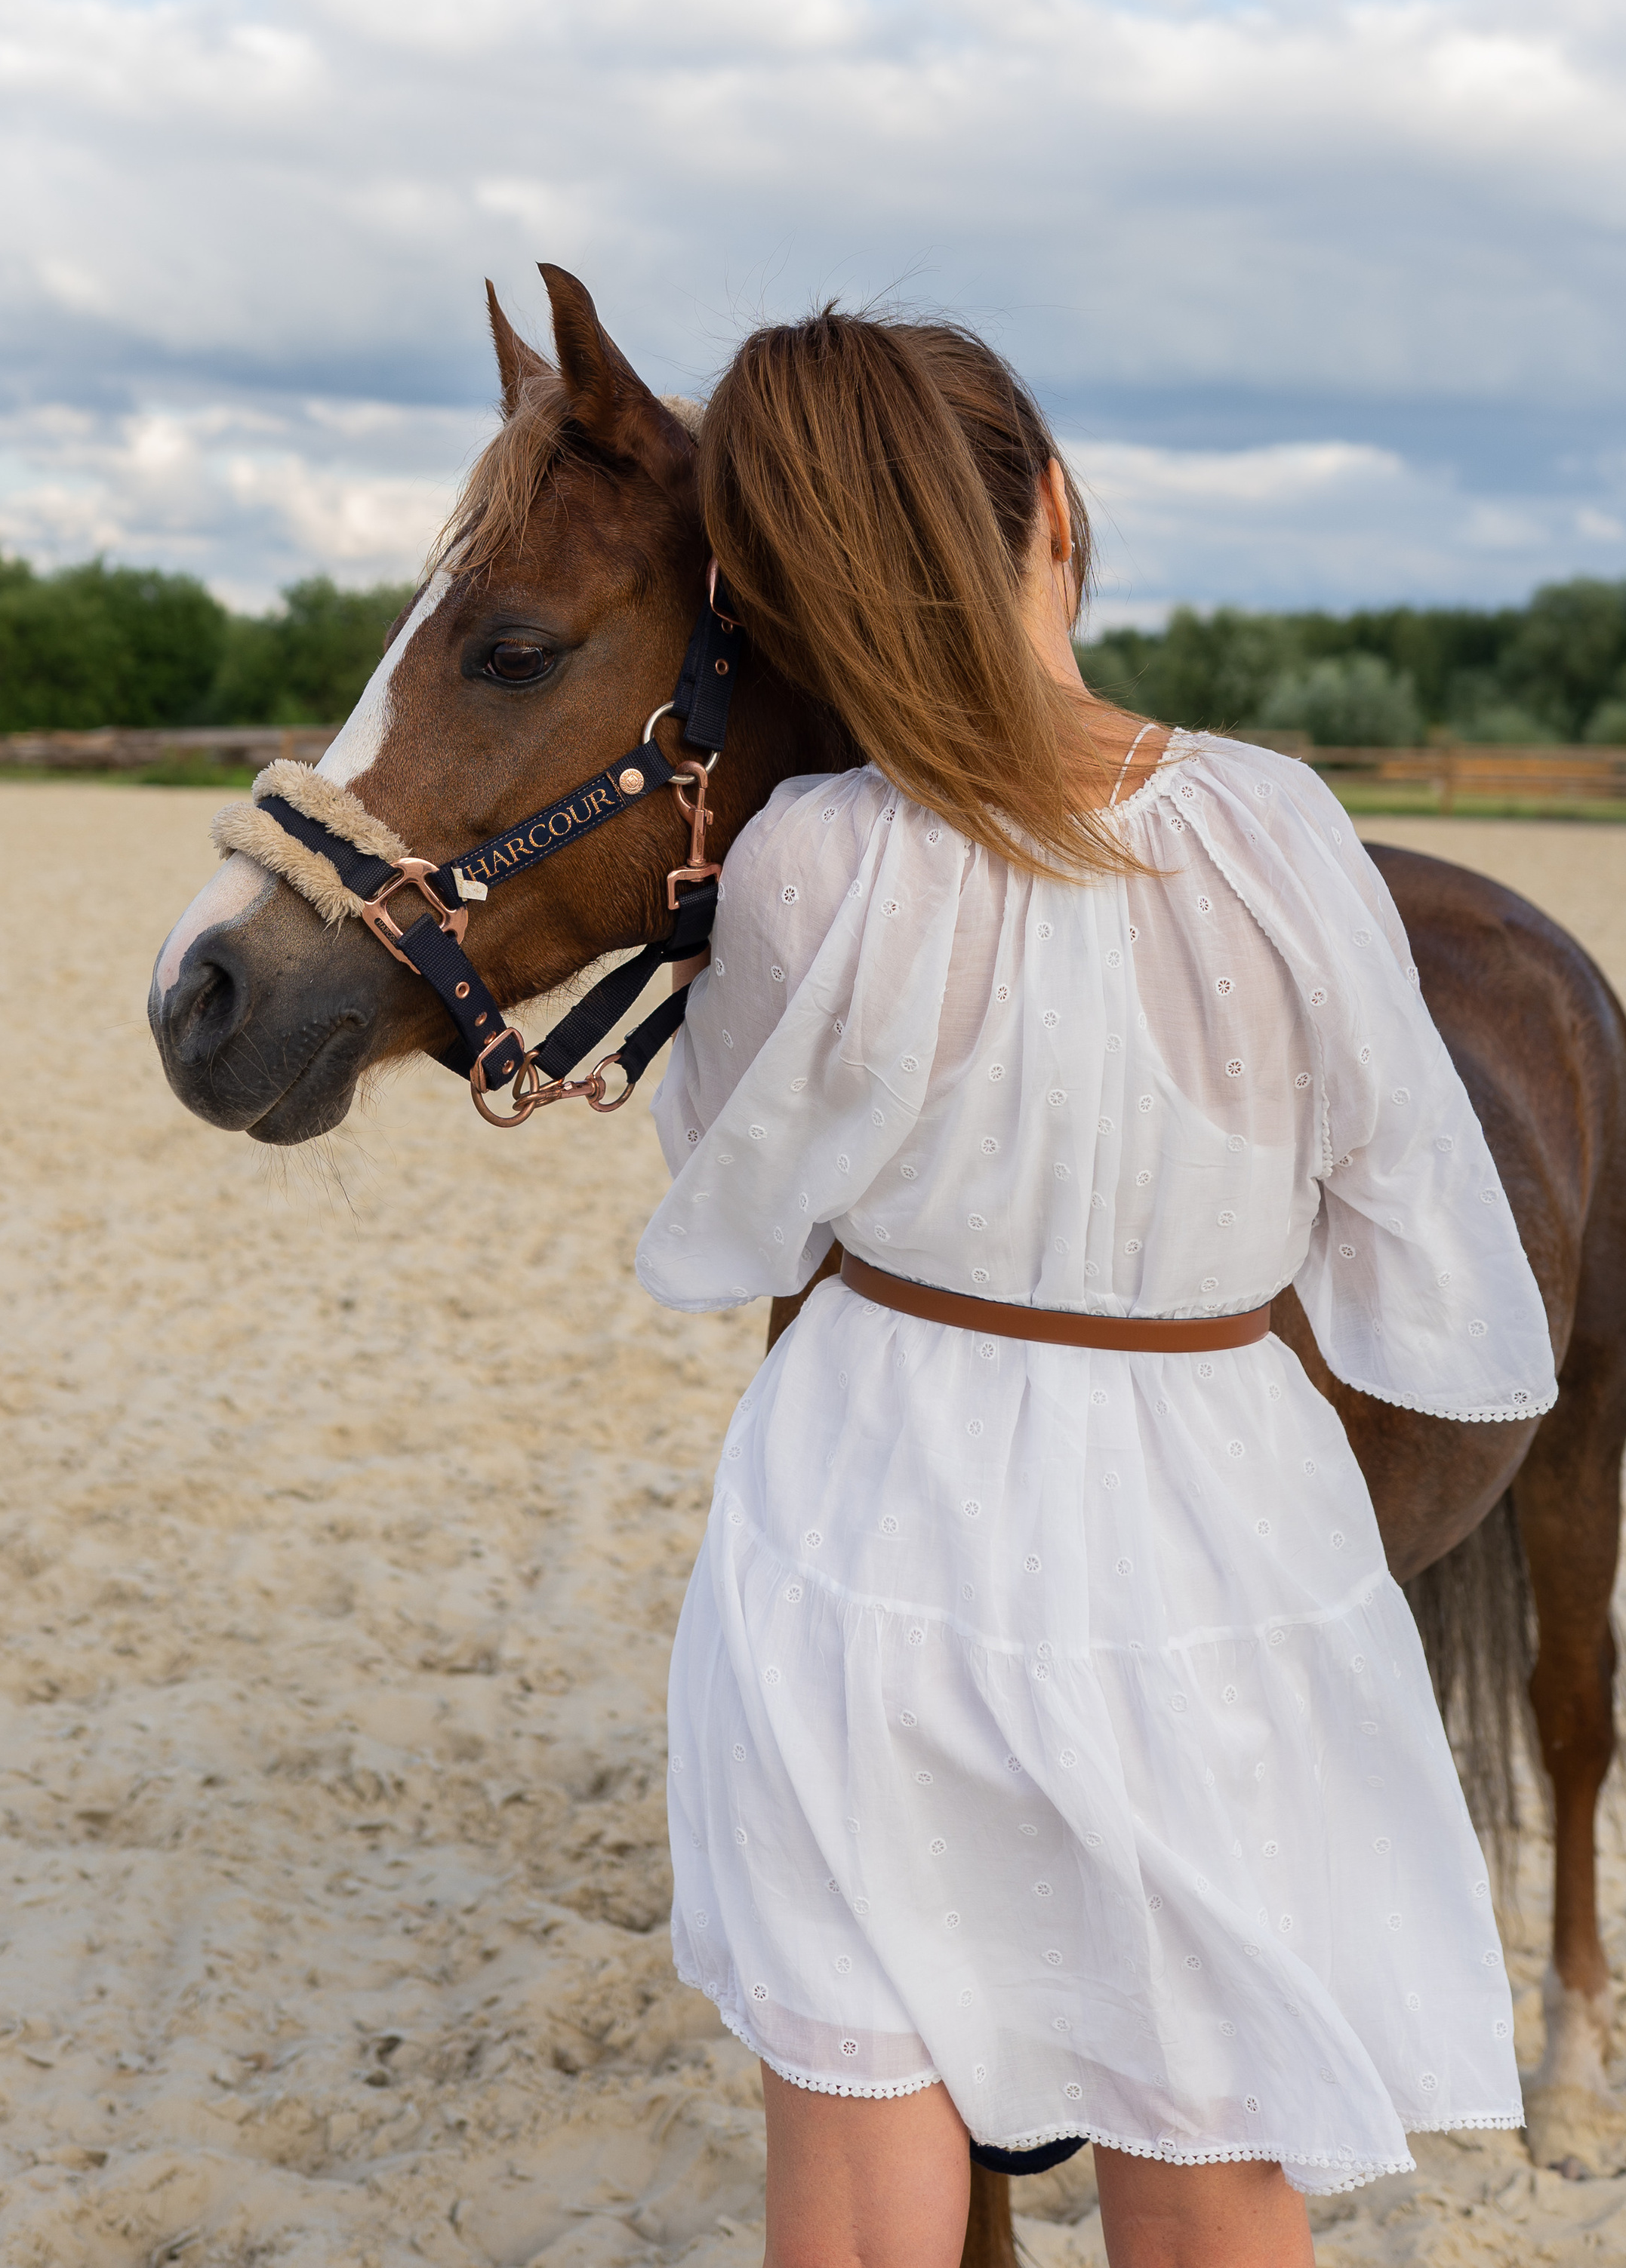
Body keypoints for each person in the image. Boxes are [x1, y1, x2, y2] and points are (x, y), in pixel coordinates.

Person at [636, 309, 1557, 2268]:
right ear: (1057, 509)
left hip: (870, 1520)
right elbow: (1403, 1217)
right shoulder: (1277, 825)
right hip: (1210, 1525)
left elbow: (743, 1219)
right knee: (1212, 2151)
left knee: (864, 2146)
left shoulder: (809, 860)